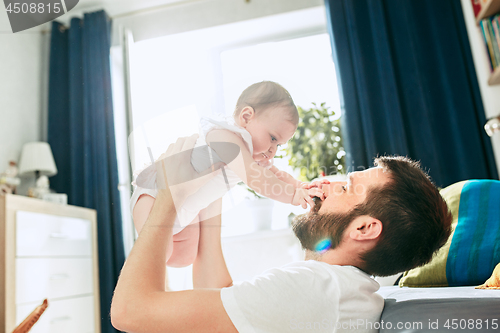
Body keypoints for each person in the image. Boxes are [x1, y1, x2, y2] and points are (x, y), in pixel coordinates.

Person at [111, 135, 452, 333]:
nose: (326, 184)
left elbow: (129, 312)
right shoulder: (343, 290)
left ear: (364, 228)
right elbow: (223, 301)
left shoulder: (317, 289)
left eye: (346, 186)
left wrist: (169, 195)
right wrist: (211, 193)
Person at [131, 81, 326, 268]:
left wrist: (299, 186)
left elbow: (276, 175)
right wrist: (292, 196)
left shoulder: (252, 155)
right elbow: (256, 179)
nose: (273, 149)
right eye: (273, 138)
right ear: (247, 117)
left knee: (184, 257)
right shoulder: (225, 135)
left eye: (279, 145)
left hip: (184, 210)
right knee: (158, 254)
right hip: (154, 196)